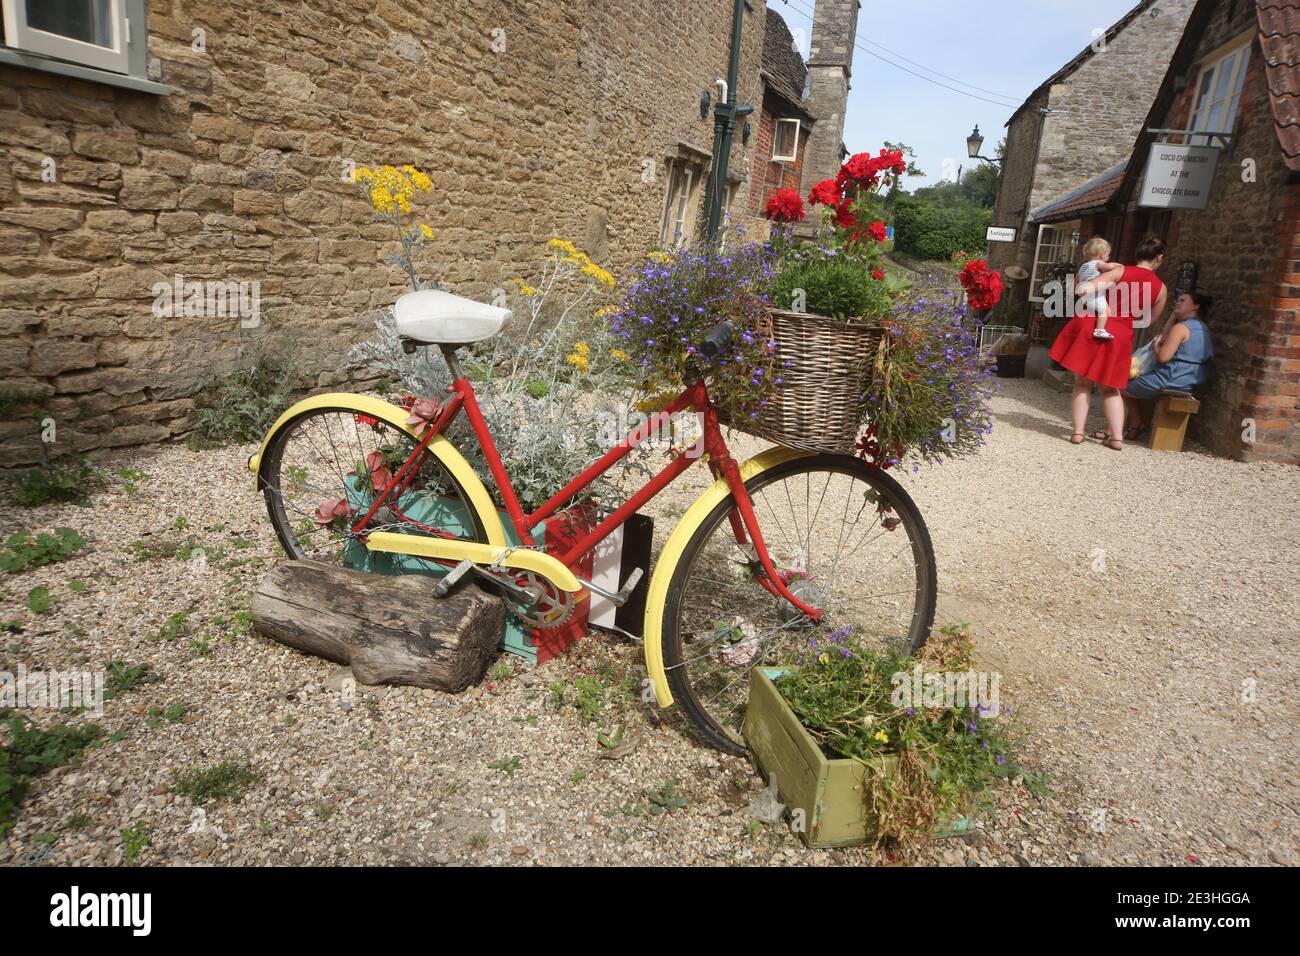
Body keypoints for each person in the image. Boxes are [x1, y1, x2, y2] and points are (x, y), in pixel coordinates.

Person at [1049, 235, 1168, 451]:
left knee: (1083, 383)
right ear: (1159, 258)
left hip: (1093, 326)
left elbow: (1085, 289)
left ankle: (1077, 433)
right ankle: (1116, 438)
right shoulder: (1161, 289)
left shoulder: (1120, 271)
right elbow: (1148, 320)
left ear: (1137, 253)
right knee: (1111, 389)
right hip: (1120, 335)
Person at [1121, 291, 1214, 438]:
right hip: (1189, 380)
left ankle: (1130, 425)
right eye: (1177, 300)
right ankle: (1136, 425)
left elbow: (1163, 357)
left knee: (1118, 386)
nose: (1177, 302)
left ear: (1195, 306)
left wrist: (1157, 346)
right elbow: (1166, 338)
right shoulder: (1202, 328)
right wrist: (1173, 316)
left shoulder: (1181, 328)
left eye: (1182, 300)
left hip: (1169, 379)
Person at [1076, 237, 1124, 340]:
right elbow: (1110, 266)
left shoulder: (1083, 266)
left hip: (1084, 297)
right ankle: (1099, 330)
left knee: (1101, 309)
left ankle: (1097, 323)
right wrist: (1119, 266)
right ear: (1102, 255)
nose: (1108, 256)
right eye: (1108, 254)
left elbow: (1077, 280)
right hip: (1095, 295)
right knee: (1105, 310)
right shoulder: (1099, 264)